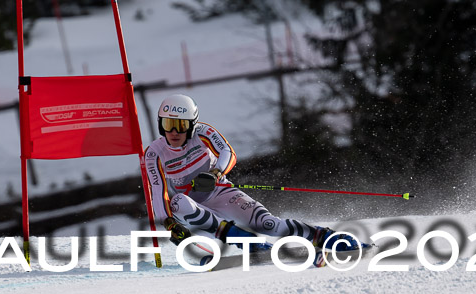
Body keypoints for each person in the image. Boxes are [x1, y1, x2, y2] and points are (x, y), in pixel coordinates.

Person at [143, 94, 357, 253]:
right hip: (194, 211)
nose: (174, 132)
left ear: (192, 124)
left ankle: (325, 237)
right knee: (178, 202)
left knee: (269, 225)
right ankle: (245, 240)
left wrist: (216, 173)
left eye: (180, 125)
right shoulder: (155, 153)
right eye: (168, 124)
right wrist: (169, 224)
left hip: (221, 193)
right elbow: (157, 191)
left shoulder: (204, 132)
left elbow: (228, 152)